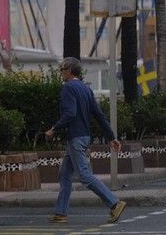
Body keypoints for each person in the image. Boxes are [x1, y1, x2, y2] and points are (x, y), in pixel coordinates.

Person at [43, 57, 128, 225]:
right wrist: (112, 137)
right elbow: (99, 115)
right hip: (82, 136)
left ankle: (114, 203)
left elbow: (70, 113)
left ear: (69, 70)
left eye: (62, 69)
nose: (60, 72)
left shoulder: (68, 88)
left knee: (85, 175)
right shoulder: (86, 89)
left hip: (75, 137)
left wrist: (54, 129)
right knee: (65, 174)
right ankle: (60, 212)